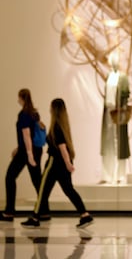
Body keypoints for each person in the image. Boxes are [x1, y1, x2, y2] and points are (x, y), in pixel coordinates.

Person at [21, 98, 93, 229]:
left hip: (54, 163)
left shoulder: (56, 127)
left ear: (54, 110)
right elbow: (64, 147)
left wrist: (67, 163)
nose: (49, 109)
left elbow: (62, 147)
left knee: (43, 190)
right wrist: (68, 162)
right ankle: (85, 215)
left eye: (50, 107)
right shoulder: (63, 126)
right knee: (68, 189)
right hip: (62, 163)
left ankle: (35, 218)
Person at [0, 88, 50, 222]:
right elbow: (32, 135)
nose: (18, 100)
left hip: (28, 152)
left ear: (22, 98)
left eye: (19, 98)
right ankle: (44, 212)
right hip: (34, 150)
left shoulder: (23, 114)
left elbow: (27, 135)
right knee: (37, 180)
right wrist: (19, 147)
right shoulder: (34, 113)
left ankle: (9, 212)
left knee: (10, 176)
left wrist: (28, 154)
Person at [100, 51, 131, 184]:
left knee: (119, 141)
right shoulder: (109, 76)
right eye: (112, 61)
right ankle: (108, 174)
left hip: (118, 112)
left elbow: (126, 93)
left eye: (116, 60)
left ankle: (120, 174)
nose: (114, 63)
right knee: (108, 141)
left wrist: (121, 107)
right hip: (108, 110)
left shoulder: (123, 77)